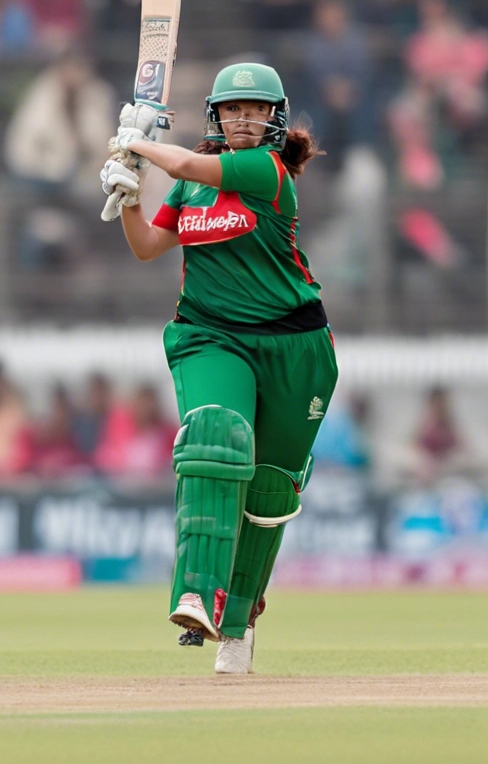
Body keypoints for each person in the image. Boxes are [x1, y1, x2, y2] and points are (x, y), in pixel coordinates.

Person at [100, 62, 339, 675]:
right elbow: (149, 248)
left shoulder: (267, 170)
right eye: (232, 110)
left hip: (295, 347)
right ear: (215, 116)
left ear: (275, 117)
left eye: (254, 109)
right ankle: (194, 594)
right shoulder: (191, 187)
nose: (242, 119)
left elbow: (179, 163)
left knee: (269, 490)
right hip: (211, 333)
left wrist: (138, 144)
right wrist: (127, 191)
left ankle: (239, 623)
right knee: (213, 435)